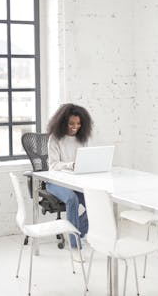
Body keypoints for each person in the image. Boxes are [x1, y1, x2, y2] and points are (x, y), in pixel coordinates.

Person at [46, 103, 93, 250]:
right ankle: (75, 244)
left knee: (96, 202)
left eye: (78, 123)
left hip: (75, 182)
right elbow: (53, 165)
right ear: (63, 122)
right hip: (54, 182)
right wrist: (70, 165)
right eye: (71, 123)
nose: (75, 127)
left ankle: (75, 232)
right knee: (71, 199)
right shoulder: (55, 138)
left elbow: (85, 161)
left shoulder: (82, 139)